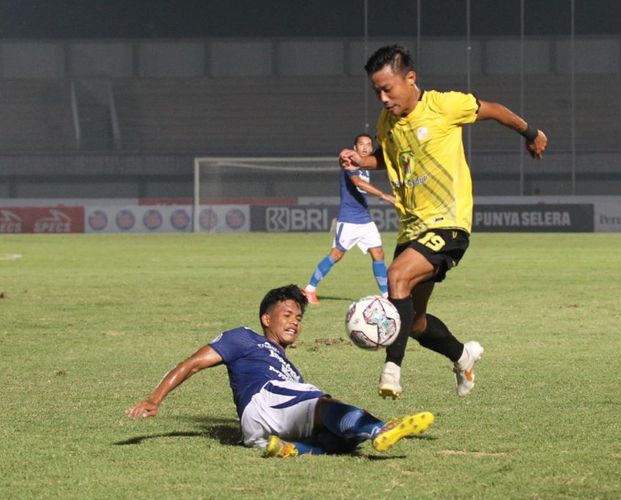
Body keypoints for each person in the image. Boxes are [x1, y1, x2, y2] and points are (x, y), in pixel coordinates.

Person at [339, 45, 548, 399]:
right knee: (416, 322)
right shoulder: (386, 123)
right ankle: (462, 356)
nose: (383, 97)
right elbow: (389, 161)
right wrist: (359, 161)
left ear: (410, 78)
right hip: (411, 228)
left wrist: (531, 134)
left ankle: (391, 370)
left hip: (448, 223)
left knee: (396, 277)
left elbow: (494, 110)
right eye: (377, 91)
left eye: (388, 88)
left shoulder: (444, 105)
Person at [126, 284, 434, 457]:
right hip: (264, 398)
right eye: (287, 314)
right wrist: (155, 399)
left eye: (299, 318)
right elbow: (191, 364)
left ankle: (292, 449)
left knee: (342, 437)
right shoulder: (244, 338)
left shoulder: (290, 370)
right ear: (265, 319)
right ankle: (380, 429)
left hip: (262, 428)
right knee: (323, 404)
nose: (294, 322)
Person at [303, 134, 396, 304]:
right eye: (361, 144)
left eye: (369, 144)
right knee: (336, 255)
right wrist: (384, 194)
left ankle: (386, 295)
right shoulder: (349, 163)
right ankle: (309, 289)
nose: (366, 147)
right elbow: (358, 182)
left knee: (378, 253)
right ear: (355, 147)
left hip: (365, 220)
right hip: (349, 220)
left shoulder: (366, 166)